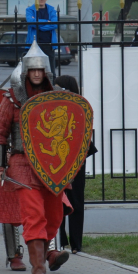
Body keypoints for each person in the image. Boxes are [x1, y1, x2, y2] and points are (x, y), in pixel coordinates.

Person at [0, 41, 69, 274]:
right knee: (33, 214)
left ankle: (45, 255)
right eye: (32, 70)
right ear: (26, 72)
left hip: (51, 164)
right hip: (22, 162)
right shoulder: (12, 99)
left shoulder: (58, 97)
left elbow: (71, 129)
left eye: (40, 70)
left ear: (46, 71)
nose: (37, 74)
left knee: (54, 214)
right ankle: (38, 269)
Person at [55, 75, 97, 254]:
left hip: (76, 160)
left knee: (76, 201)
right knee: (57, 201)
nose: (56, 92)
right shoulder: (54, 109)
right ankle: (60, 240)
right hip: (57, 159)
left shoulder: (81, 108)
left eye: (59, 88)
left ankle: (76, 243)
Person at [0, 63, 27, 272]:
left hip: (44, 161)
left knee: (52, 205)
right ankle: (14, 254)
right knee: (10, 207)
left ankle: (50, 250)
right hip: (16, 157)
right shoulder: (8, 103)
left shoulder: (49, 99)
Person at [25, 0, 58, 73]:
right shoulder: (30, 10)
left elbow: (55, 24)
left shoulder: (51, 9)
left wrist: (39, 26)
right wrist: (47, 22)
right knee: (35, 69)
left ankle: (52, 85)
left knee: (50, 70)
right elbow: (30, 22)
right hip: (34, 44)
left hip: (49, 44)